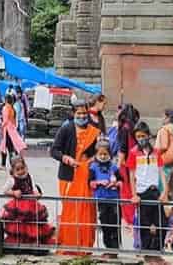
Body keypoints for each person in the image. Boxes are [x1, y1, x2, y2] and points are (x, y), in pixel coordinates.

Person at [51, 97, 100, 252]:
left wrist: (92, 160)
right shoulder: (66, 128)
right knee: (70, 212)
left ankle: (84, 246)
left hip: (86, 177)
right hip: (68, 176)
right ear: (73, 113)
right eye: (79, 114)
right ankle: (69, 245)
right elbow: (54, 150)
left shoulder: (94, 130)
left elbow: (99, 153)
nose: (82, 116)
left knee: (86, 212)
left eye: (84, 113)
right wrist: (66, 159)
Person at [0, 156, 56, 246]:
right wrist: (14, 192)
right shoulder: (12, 179)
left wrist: (37, 193)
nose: (21, 171)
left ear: (25, 167)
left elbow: (33, 187)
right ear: (13, 170)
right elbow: (4, 190)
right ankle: (20, 242)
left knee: (33, 223)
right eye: (18, 169)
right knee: (20, 224)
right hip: (19, 205)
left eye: (22, 168)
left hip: (31, 204)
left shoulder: (29, 176)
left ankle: (33, 241)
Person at [128, 121, 165, 252]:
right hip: (141, 192)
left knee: (161, 223)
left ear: (148, 135)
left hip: (155, 191)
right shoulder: (133, 153)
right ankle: (146, 252)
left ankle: (157, 251)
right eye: (138, 137)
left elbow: (161, 172)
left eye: (143, 136)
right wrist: (134, 194)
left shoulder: (156, 152)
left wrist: (164, 192)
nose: (141, 139)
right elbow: (131, 175)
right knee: (145, 224)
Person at [88, 139, 121, 250]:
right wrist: (99, 182)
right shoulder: (93, 167)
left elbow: (122, 182)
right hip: (101, 199)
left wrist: (115, 183)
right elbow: (90, 183)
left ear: (109, 154)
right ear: (96, 154)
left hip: (114, 199)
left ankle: (115, 248)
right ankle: (108, 247)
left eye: (105, 154)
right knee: (104, 223)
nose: (102, 156)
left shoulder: (114, 167)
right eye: (100, 154)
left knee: (114, 223)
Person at [116, 104, 141, 228]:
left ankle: (129, 220)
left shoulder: (124, 129)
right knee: (133, 190)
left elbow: (122, 148)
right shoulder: (133, 128)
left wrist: (118, 165)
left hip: (125, 164)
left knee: (126, 192)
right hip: (135, 162)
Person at [0, 93, 26, 169]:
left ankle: (11, 165)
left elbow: (5, 119)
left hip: (7, 130)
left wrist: (1, 126)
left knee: (8, 148)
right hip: (12, 129)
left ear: (6, 100)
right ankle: (7, 164)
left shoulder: (5, 108)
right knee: (9, 148)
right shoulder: (13, 108)